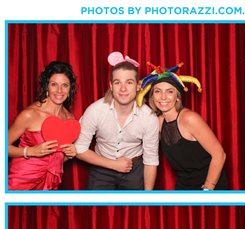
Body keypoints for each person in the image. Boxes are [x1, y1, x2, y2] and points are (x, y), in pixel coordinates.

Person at [74, 52, 159, 190]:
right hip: (101, 166)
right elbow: (79, 149)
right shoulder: (95, 110)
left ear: (138, 86)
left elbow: (151, 160)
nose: (123, 88)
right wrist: (113, 164)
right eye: (117, 82)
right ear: (111, 86)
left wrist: (147, 196)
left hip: (135, 168)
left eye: (129, 82)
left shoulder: (148, 117)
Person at [138, 63, 228, 191]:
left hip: (209, 185)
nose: (163, 97)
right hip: (184, 187)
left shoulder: (189, 119)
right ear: (152, 97)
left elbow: (219, 155)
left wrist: (208, 189)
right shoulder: (159, 122)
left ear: (177, 97)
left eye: (169, 91)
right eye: (158, 91)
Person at [8, 61, 78, 190]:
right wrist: (30, 151)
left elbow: (56, 158)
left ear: (70, 89)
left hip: (50, 183)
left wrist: (69, 155)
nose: (59, 90)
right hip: (21, 181)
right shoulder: (30, 114)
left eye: (64, 85)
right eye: (54, 84)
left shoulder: (70, 119)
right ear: (46, 87)